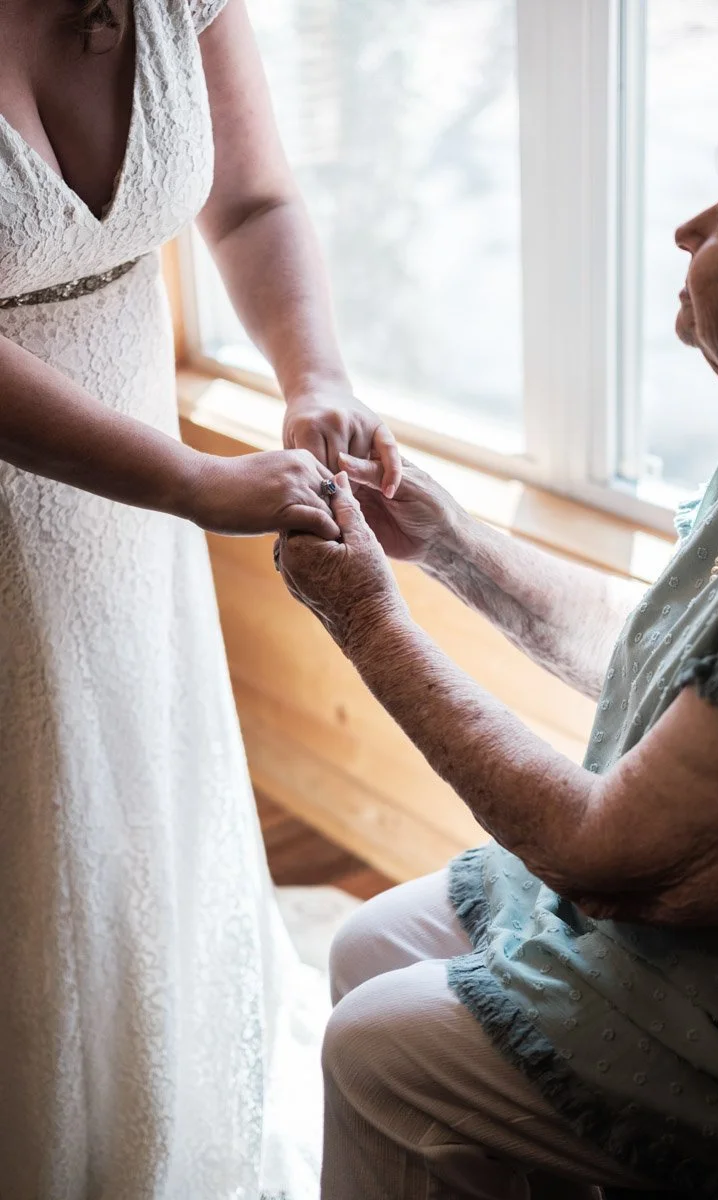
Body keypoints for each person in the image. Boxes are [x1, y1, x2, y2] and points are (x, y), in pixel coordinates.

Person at [276, 72, 718, 1200]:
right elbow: (665, 662)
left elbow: (609, 859)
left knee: (379, 1051)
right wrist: (447, 542)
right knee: (370, 946)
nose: (684, 230)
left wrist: (364, 618)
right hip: (689, 929)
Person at [0, 1, 401, 1197]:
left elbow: (251, 200)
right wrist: (184, 476)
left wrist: (313, 373)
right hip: (81, 487)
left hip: (128, 487)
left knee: (128, 781)